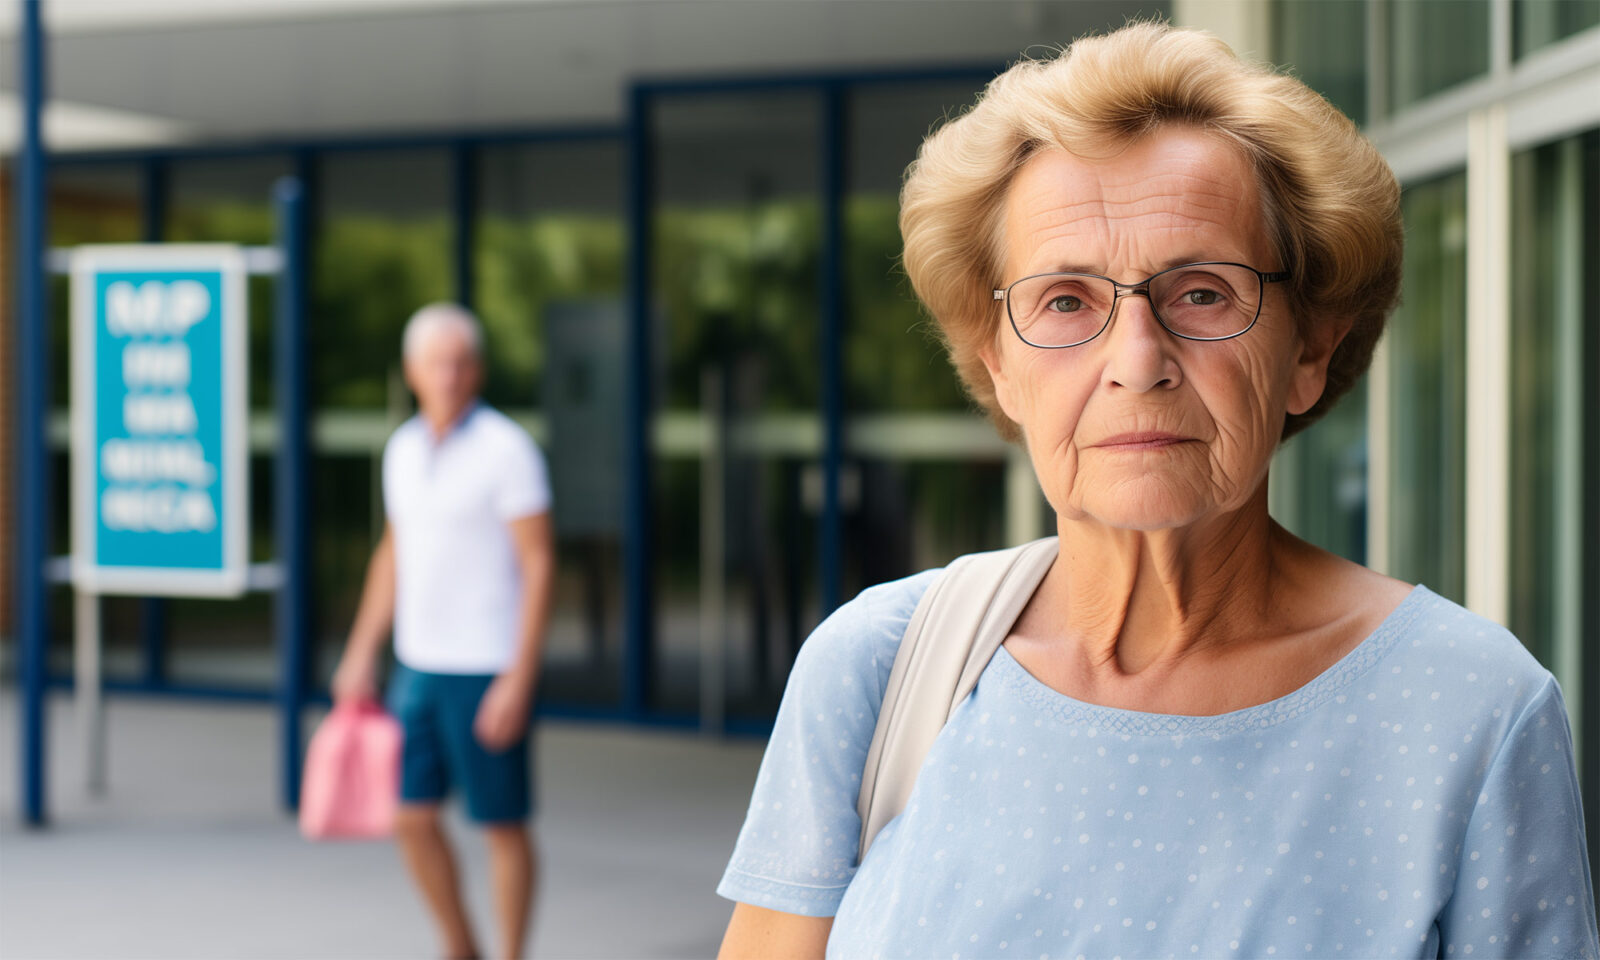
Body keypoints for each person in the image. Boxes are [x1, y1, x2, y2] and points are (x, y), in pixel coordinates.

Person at [716, 21, 1598, 959]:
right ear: (1000, 367)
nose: (1137, 363)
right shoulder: (876, 669)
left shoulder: (1471, 712)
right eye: (1066, 301)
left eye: (1203, 293)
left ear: (1308, 351)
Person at [332, 302, 555, 960]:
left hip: (486, 665)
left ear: (477, 370)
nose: (450, 375)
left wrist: (520, 675)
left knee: (501, 825)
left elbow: (539, 564)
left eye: (461, 362)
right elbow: (392, 554)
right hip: (418, 667)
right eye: (437, 363)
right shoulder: (401, 450)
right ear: (412, 370)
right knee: (409, 818)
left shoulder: (507, 450)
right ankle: (460, 947)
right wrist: (359, 651)